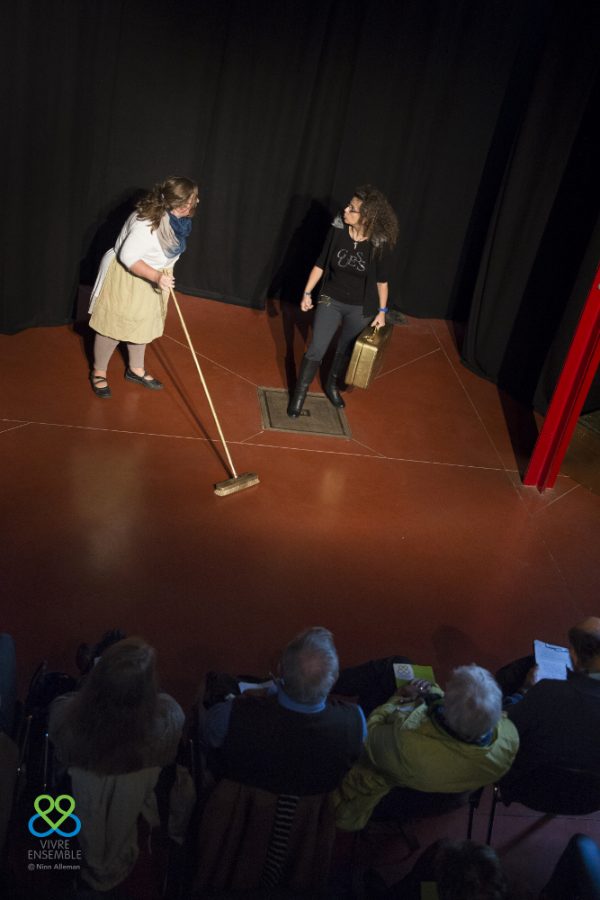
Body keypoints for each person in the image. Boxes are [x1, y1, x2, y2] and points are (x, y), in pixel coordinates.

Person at [49, 637, 184, 892]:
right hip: (140, 840)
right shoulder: (168, 723)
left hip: (74, 838)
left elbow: (64, 711)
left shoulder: (64, 719)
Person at [333, 664, 519, 831]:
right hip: (439, 795)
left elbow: (370, 734)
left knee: (388, 671)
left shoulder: (405, 742)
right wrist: (432, 692)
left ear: (447, 710)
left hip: (389, 791)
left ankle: (325, 683)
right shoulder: (509, 740)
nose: (445, 686)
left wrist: (398, 698)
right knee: (401, 666)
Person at [202, 626, 366, 795]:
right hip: (309, 811)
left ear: (280, 669)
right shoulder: (355, 723)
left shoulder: (230, 716)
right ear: (335, 679)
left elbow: (208, 738)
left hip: (240, 808)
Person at [287, 185, 398, 417]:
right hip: (332, 298)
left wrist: (381, 312)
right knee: (317, 347)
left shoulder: (378, 244)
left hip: (360, 307)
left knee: (345, 349)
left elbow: (382, 282)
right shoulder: (338, 229)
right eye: (348, 205)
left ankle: (331, 385)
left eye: (352, 209)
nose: (345, 210)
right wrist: (307, 292)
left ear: (366, 217)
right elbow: (321, 263)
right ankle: (299, 394)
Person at [88, 175, 198, 398]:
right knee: (113, 326)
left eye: (194, 201)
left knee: (143, 324)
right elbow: (129, 257)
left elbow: (167, 253)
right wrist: (156, 276)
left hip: (153, 278)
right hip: (128, 276)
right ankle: (98, 371)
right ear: (173, 203)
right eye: (188, 203)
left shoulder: (178, 222)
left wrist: (162, 274)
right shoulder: (146, 223)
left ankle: (135, 370)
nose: (193, 205)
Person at [501, 617, 600, 789]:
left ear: (574, 656)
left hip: (531, 788)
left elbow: (505, 726)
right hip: (592, 796)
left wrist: (524, 691)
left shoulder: (546, 691)